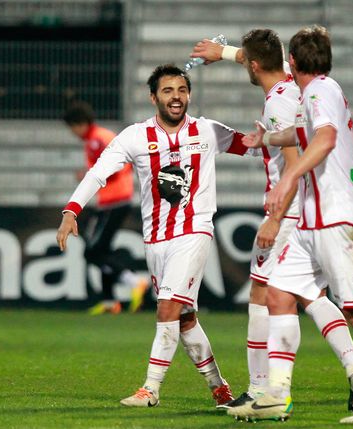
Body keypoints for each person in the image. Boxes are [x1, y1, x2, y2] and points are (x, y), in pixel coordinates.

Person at [226, 25, 353, 424]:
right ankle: (275, 393)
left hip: (338, 219)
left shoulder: (321, 90)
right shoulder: (308, 94)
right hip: (311, 223)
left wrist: (288, 176)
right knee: (280, 294)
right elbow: (299, 131)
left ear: (292, 61)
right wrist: (265, 140)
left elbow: (324, 139)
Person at [190, 28, 353, 411]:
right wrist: (223, 52)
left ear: (255, 67)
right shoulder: (295, 85)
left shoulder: (276, 106)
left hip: (289, 209)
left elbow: (292, 166)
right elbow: (259, 55)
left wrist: (274, 219)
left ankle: (260, 390)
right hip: (313, 209)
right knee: (310, 295)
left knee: (261, 293)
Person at [57, 65, 242, 409]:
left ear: (189, 94)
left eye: (182, 90)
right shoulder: (135, 136)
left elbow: (254, 146)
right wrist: (72, 210)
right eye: (168, 91)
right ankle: (220, 388)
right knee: (184, 318)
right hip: (156, 239)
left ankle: (151, 388)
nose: (176, 97)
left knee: (167, 307)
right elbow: (98, 172)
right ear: (153, 97)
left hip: (194, 230)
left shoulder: (207, 130)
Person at [63, 101, 149, 314]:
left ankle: (134, 281)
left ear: (79, 123)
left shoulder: (97, 140)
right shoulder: (99, 137)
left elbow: (118, 168)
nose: (73, 132)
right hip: (112, 200)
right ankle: (110, 301)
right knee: (102, 250)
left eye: (72, 127)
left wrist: (88, 176)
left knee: (92, 252)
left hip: (114, 201)